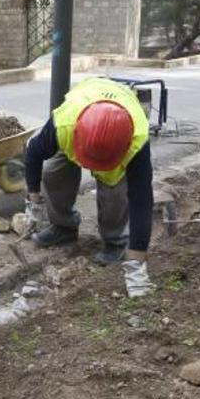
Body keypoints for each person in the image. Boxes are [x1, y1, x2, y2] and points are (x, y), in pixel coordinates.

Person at [23, 77, 155, 297]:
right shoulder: (64, 123)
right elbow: (34, 154)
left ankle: (114, 241)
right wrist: (33, 199)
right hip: (80, 126)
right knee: (53, 171)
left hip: (114, 140)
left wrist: (137, 263)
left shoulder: (137, 138)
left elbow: (142, 200)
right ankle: (63, 227)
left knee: (115, 190)